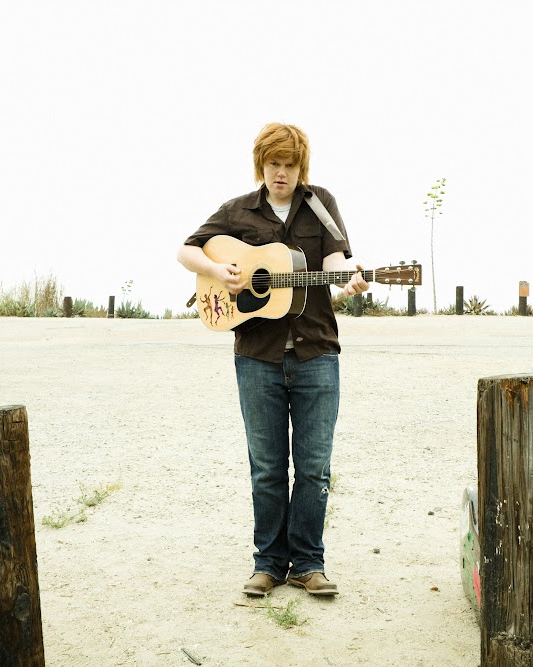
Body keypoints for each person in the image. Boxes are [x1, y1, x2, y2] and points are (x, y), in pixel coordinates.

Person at [177, 123, 368, 598]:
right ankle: (267, 564)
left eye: (290, 165)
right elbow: (186, 250)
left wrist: (348, 278)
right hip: (257, 357)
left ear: (302, 167)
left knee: (314, 468)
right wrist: (218, 269)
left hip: (316, 352)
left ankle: (308, 564)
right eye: (273, 164)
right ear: (260, 165)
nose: (281, 173)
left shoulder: (321, 203)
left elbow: (334, 261)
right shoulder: (237, 210)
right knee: (266, 468)